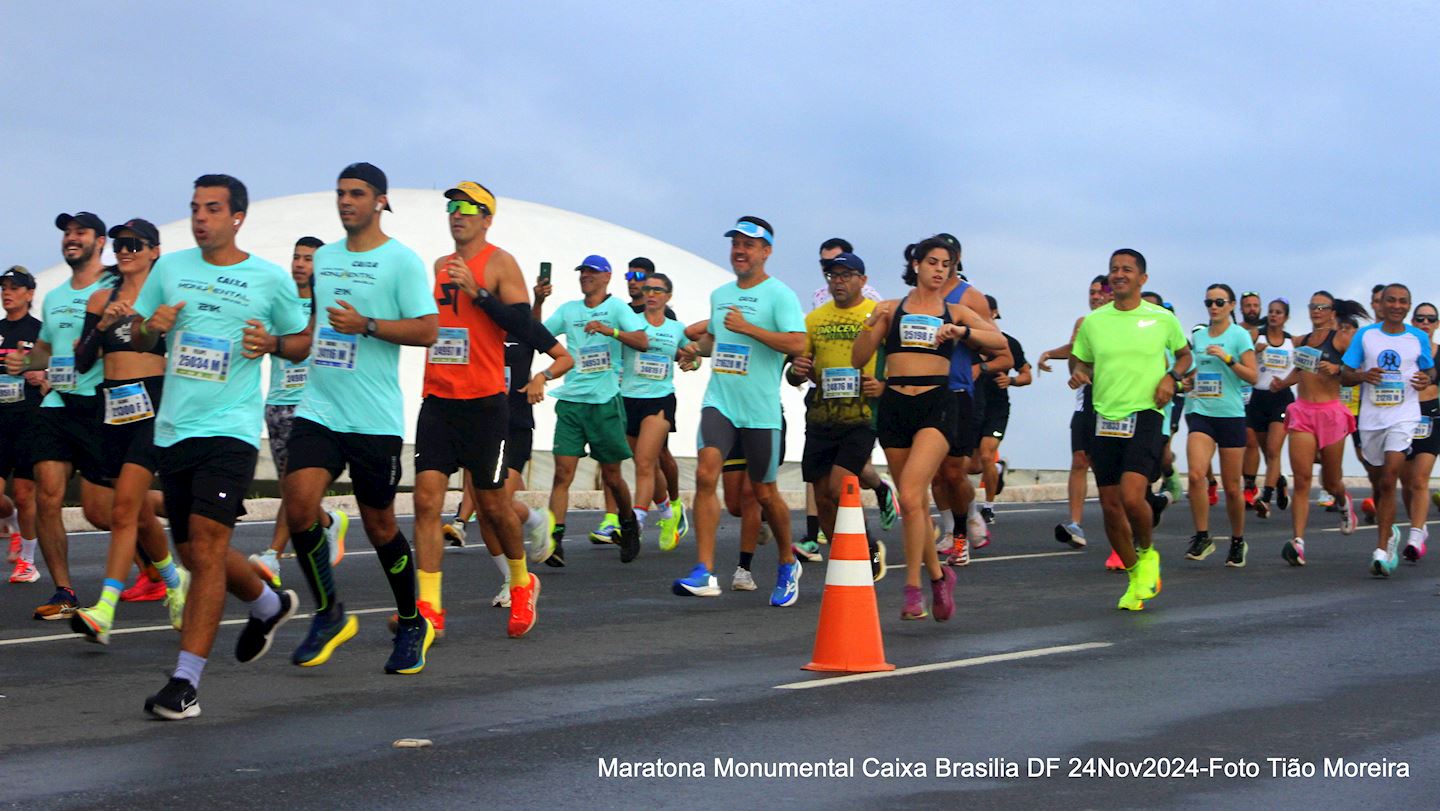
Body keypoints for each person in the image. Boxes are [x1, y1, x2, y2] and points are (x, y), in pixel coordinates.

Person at [131, 173, 310, 719]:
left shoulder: (268, 278)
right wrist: (149, 327)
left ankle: (185, 684)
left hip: (229, 429)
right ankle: (267, 603)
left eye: (212, 208)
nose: (200, 217)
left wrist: (274, 343)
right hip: (175, 428)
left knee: (206, 548)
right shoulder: (171, 268)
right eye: (194, 208)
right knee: (191, 552)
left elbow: (302, 343)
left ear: (237, 217)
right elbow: (138, 335)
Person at [280, 162, 440, 673]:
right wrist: (275, 345)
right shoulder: (324, 259)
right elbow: (312, 334)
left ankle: (412, 620)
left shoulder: (402, 262)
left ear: (380, 201)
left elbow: (428, 330)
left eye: (357, 194)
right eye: (340, 194)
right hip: (319, 406)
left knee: (380, 524)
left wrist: (366, 324)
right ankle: (329, 614)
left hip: (373, 418)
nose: (346, 201)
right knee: (299, 502)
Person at [410, 181, 555, 640]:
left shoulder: (499, 262)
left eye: (469, 207)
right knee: (426, 500)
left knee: (493, 507)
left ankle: (520, 582)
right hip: (438, 398)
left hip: (484, 404)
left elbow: (522, 325)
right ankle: (429, 606)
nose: (458, 213)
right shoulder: (438, 267)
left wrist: (479, 293)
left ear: (487, 217)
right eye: (453, 206)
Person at [853, 237, 1004, 619]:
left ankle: (912, 588)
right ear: (916, 264)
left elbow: (999, 342)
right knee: (912, 502)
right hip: (895, 405)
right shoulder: (889, 308)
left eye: (947, 264)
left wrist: (962, 333)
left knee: (911, 489)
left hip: (938, 404)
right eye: (933, 262)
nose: (940, 270)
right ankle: (939, 578)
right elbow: (859, 357)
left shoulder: (955, 310)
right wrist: (871, 324)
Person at [672, 216, 806, 604]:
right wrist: (694, 351)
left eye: (749, 244)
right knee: (704, 473)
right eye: (736, 243)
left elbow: (797, 343)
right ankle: (704, 571)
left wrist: (751, 329)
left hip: (760, 411)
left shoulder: (780, 295)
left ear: (766, 251)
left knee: (765, 494)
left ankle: (786, 563)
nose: (740, 250)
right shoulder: (720, 295)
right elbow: (716, 339)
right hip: (721, 402)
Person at [68, 218, 190, 643]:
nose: (125, 250)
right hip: (113, 406)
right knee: (133, 510)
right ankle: (175, 582)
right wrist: (101, 327)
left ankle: (104, 609)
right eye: (120, 244)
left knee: (122, 510)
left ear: (154, 251)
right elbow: (83, 361)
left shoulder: (168, 300)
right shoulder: (102, 298)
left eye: (134, 244)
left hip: (153, 403)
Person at [7, 212, 117, 620]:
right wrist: (29, 363)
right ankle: (65, 591)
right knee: (47, 497)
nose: (71, 239)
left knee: (102, 512)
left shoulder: (114, 286)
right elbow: (46, 350)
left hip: (99, 405)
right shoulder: (54, 297)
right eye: (67, 233)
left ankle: (162, 569)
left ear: (99, 241)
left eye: (80, 233)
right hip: (56, 406)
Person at [1069, 249, 1191, 611]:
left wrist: (1172, 376)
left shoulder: (1161, 319)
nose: (1119, 274)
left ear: (1143, 279)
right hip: (1104, 415)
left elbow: (1185, 356)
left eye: (1127, 269)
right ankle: (1135, 573)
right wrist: (1076, 372)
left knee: (1132, 496)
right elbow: (1081, 360)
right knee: (1109, 506)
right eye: (1114, 270)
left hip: (1147, 412)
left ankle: (1148, 552)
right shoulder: (1095, 322)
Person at [249, 237, 347, 588]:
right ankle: (328, 522)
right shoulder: (280, 301)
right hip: (277, 402)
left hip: (312, 405)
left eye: (309, 258)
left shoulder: (331, 305)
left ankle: (272, 556)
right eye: (297, 257)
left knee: (293, 486)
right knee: (291, 491)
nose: (300, 264)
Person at [786, 251, 887, 590]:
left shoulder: (876, 315)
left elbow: (897, 360)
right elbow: (799, 370)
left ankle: (865, 548)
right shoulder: (814, 319)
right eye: (833, 276)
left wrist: (884, 385)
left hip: (860, 415)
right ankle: (847, 555)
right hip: (821, 415)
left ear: (863, 280)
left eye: (846, 275)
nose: (838, 281)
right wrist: (797, 373)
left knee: (840, 487)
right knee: (822, 496)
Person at [541, 254, 649, 564]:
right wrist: (537, 301)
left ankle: (627, 525)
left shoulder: (617, 309)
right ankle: (555, 540)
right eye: (582, 272)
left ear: (607, 277)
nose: (586, 276)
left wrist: (609, 331)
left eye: (592, 272)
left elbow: (642, 340)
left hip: (604, 402)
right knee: (562, 473)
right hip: (572, 401)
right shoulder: (569, 310)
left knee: (612, 476)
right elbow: (538, 334)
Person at [1340, 283, 1435, 577]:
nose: (1396, 305)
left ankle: (1382, 549)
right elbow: (1345, 376)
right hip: (1371, 419)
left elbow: (1430, 370)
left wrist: (1424, 378)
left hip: (1404, 416)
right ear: (1382, 304)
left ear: (1408, 305)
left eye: (1402, 301)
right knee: (1379, 480)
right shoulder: (1366, 336)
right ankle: (1390, 532)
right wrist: (1362, 375)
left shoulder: (1417, 337)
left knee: (1390, 478)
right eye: (1390, 300)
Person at [1277, 292, 1363, 564]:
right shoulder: (1300, 341)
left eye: (1322, 306)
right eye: (1313, 306)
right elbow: (1300, 371)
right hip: (1303, 411)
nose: (1316, 310)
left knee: (1330, 480)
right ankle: (1298, 542)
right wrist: (1283, 382)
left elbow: (1353, 372)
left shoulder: (1341, 339)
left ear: (1332, 312)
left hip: (1331, 413)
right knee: (1301, 480)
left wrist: (1336, 369)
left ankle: (1342, 500)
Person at [1181, 284, 1258, 568]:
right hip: (1202, 411)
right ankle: (1203, 536)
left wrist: (1227, 359)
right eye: (1209, 302)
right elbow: (1195, 370)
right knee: (1195, 475)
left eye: (1219, 302)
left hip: (1231, 414)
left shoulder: (1239, 336)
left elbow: (1252, 376)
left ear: (1231, 305)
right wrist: (1189, 381)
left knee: (1233, 487)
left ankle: (1238, 540)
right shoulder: (1199, 336)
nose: (1213, 307)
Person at [618, 271, 693, 552]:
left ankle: (636, 519)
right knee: (646, 462)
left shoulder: (676, 328)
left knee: (644, 461)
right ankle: (668, 512)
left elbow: (691, 355)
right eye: (648, 289)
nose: (651, 294)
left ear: (668, 296)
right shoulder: (631, 322)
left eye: (658, 290)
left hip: (660, 399)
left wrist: (691, 363)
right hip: (628, 398)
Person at [1037, 275, 1112, 551]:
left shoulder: (1117, 322)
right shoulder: (1084, 323)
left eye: (1099, 292)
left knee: (1107, 469)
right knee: (1079, 459)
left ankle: (1119, 525)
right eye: (1091, 292)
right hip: (1085, 400)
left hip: (1113, 400)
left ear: (1112, 294)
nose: (1094, 297)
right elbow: (1075, 349)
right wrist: (1049, 353)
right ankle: (1075, 523)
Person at [0, 266, 42, 584]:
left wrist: (41, 374)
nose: (7, 292)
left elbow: (55, 371)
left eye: (15, 287)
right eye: (4, 287)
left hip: (29, 420)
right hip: (1, 420)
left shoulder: (40, 332)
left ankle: (27, 561)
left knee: (26, 494)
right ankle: (12, 522)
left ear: (29, 294)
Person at [974, 294, 1031, 525]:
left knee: (986, 454)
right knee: (972, 466)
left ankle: (988, 507)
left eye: (985, 312)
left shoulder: (1009, 343)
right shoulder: (969, 341)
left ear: (995, 313)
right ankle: (997, 470)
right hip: (972, 406)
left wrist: (1012, 381)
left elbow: (1026, 375)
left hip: (997, 409)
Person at [1400, 301, 1439, 563]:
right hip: (1404, 416)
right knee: (1406, 482)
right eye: (1420, 319)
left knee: (1420, 480)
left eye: (1430, 319)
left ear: (1436, 324)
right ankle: (1419, 523)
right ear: (1412, 323)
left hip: (1432, 417)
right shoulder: (1404, 352)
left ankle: (1415, 535)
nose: (1425, 323)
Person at [1249, 299, 1296, 519]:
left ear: (1286, 317)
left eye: (1278, 312)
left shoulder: (1292, 342)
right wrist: (1254, 352)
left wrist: (1286, 383)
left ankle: (1265, 498)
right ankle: (1279, 481)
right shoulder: (1256, 337)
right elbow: (1243, 357)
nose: (1274, 316)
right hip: (1258, 398)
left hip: (1281, 399)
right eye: (1271, 312)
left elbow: (1302, 369)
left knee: (1273, 449)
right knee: (1264, 450)